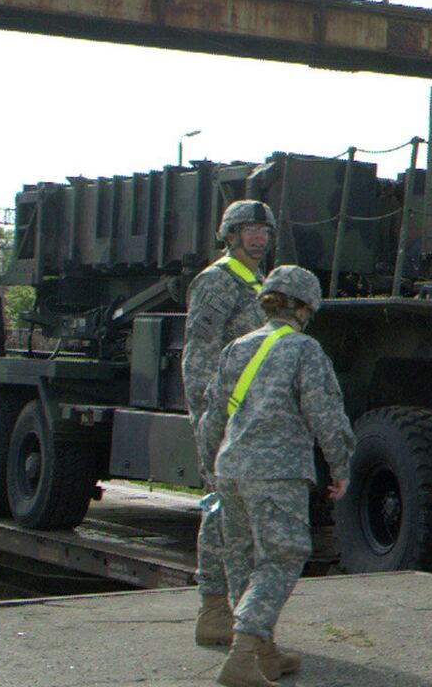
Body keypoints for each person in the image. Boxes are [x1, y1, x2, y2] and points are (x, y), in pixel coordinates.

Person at [199, 265, 354, 687]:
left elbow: (213, 416)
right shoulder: (304, 350)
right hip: (277, 472)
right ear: (304, 308)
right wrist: (340, 467)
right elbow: (326, 416)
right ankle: (243, 654)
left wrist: (210, 468)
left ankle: (264, 652)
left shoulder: (237, 347)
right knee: (281, 557)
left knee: (242, 559)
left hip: (231, 468)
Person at [182, 200, 274, 650]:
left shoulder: (260, 284)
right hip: (225, 418)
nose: (259, 238)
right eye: (250, 229)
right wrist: (209, 417)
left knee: (244, 517)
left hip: (254, 418)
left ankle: (238, 615)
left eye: (264, 231)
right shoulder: (217, 282)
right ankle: (213, 611)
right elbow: (198, 354)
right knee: (220, 512)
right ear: (231, 235)